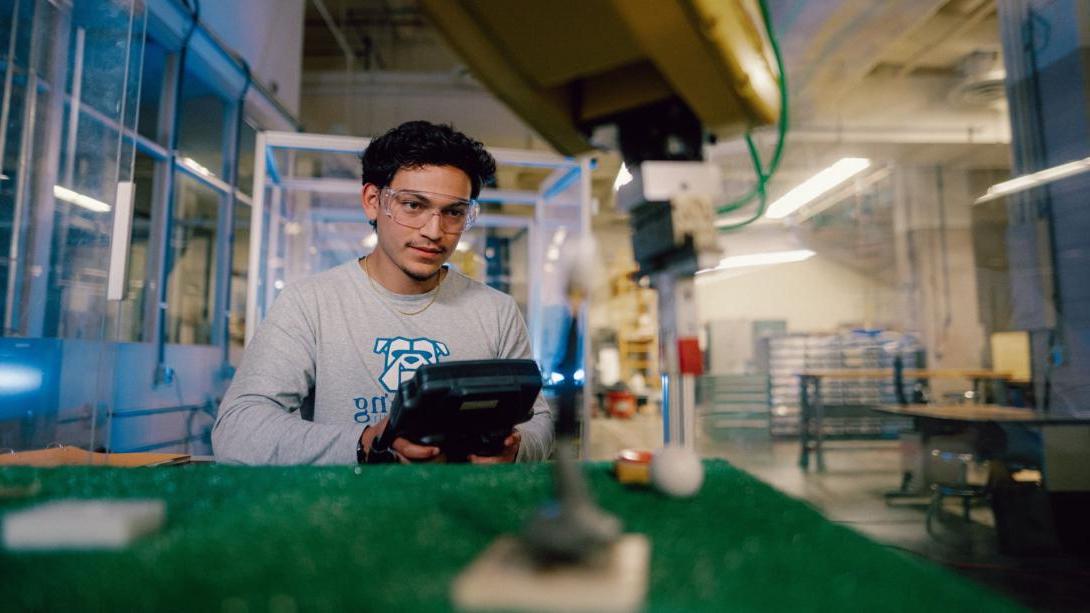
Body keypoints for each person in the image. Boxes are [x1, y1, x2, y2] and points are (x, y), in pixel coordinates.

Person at [212, 121, 554, 464]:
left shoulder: (496, 311)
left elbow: (539, 421)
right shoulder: (311, 303)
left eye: (453, 212)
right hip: (343, 512)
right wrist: (364, 443)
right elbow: (237, 429)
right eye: (413, 205)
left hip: (459, 510)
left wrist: (515, 448)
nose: (434, 231)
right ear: (373, 201)